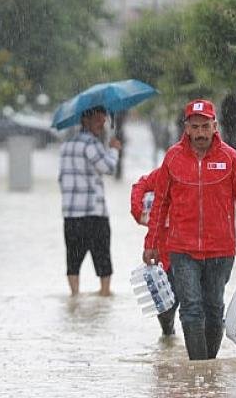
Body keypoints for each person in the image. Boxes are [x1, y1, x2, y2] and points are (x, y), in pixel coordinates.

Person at [142, 98, 236, 360]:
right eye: (195, 126)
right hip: (182, 250)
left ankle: (209, 367)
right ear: (186, 128)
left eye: (205, 126)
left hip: (221, 250)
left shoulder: (230, 158)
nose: (200, 133)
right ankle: (199, 370)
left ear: (215, 126)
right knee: (190, 308)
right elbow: (160, 204)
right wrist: (151, 243)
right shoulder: (173, 158)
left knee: (213, 308)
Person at [59, 105, 122, 296]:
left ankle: (74, 298)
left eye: (103, 121)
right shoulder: (91, 144)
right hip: (95, 213)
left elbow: (61, 178)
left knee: (73, 262)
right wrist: (114, 150)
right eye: (98, 120)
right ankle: (104, 295)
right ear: (85, 121)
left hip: (71, 215)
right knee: (103, 260)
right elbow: (108, 168)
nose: (102, 125)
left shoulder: (66, 146)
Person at [131, 167, 178, 336]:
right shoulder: (169, 169)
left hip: (193, 245)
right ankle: (168, 335)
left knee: (191, 299)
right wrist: (138, 211)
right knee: (166, 303)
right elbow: (141, 185)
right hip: (162, 247)